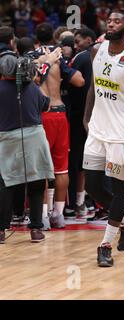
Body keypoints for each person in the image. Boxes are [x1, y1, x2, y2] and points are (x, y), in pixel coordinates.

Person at [82, 9, 124, 267]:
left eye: (117, 21)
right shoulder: (96, 51)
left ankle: (105, 245)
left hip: (121, 135)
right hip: (97, 130)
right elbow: (93, 87)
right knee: (93, 187)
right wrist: (86, 118)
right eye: (109, 20)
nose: (111, 23)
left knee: (119, 190)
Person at [0, 35, 60, 243]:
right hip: (34, 136)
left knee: (6, 184)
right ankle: (35, 229)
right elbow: (47, 105)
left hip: (7, 139)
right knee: (36, 183)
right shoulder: (31, 88)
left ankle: (1, 230)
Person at [35, 22, 85, 228]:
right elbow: (80, 81)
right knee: (61, 168)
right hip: (60, 113)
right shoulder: (58, 58)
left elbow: (34, 81)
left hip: (42, 115)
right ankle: (59, 215)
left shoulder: (31, 56)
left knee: (42, 169)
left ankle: (44, 216)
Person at [66, 27, 97, 220]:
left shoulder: (82, 57)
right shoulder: (100, 56)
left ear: (88, 39)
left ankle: (75, 204)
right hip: (95, 115)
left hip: (79, 116)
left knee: (75, 162)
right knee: (91, 162)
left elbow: (76, 84)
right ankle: (87, 202)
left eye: (77, 41)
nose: (74, 46)